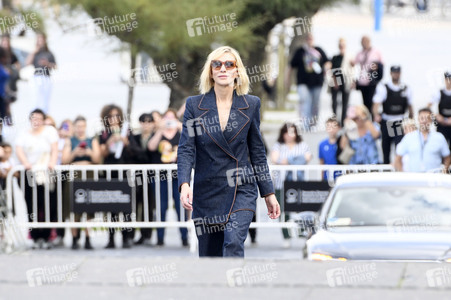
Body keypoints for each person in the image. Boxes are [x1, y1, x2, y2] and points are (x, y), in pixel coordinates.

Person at [178, 46, 280, 257]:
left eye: (229, 64)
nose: (223, 68)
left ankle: (235, 289)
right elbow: (186, 148)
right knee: (210, 257)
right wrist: (184, 184)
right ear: (211, 71)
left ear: (237, 71)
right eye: (217, 64)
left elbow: (257, 151)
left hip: (242, 189)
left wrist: (268, 193)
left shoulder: (250, 104)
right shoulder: (194, 106)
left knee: (233, 243)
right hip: (207, 192)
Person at [15, 109, 58, 249]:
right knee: (31, 204)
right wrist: (25, 163)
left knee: (47, 204)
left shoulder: (50, 132)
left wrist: (52, 163)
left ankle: (46, 236)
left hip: (46, 173)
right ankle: (34, 236)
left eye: (39, 118)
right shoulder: (24, 134)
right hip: (30, 173)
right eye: (34, 118)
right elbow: (19, 149)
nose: (36, 121)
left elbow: (54, 148)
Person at [148, 108, 187, 247]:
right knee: (161, 207)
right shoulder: (158, 133)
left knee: (180, 206)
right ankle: (159, 238)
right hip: (161, 176)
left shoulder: (181, 132)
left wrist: (180, 126)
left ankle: (184, 237)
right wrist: (160, 130)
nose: (169, 121)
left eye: (172, 118)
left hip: (178, 176)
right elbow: (151, 147)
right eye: (167, 118)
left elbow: (193, 141)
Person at [62, 116, 101, 250]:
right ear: (74, 127)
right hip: (74, 176)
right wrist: (74, 153)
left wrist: (88, 152)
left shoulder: (92, 140)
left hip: (89, 175)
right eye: (78, 126)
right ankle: (74, 238)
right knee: (74, 208)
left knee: (88, 208)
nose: (80, 129)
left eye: (82, 126)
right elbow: (64, 160)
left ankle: (88, 238)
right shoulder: (70, 141)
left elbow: (98, 158)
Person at [98, 104, 134, 249]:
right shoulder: (104, 133)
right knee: (111, 205)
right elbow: (102, 153)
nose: (114, 119)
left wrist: (126, 143)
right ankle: (111, 239)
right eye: (111, 116)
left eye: (116, 116)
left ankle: (126, 238)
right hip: (110, 172)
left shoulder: (127, 132)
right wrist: (110, 142)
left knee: (126, 206)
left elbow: (134, 152)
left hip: (124, 171)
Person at [270, 123, 311, 248]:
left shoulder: (302, 145)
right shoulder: (278, 146)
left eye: (292, 132)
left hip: (298, 182)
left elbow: (307, 158)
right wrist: (295, 159)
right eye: (287, 132)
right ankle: (286, 235)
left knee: (301, 209)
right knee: (282, 210)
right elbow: (275, 159)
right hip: (281, 183)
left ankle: (301, 232)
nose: (290, 135)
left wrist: (287, 160)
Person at [372, 65, 414, 164]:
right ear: (391, 73)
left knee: (399, 147)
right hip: (387, 121)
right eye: (394, 72)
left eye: (398, 72)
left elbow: (410, 105)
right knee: (385, 148)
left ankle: (399, 168)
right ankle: (386, 169)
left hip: (399, 121)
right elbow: (376, 104)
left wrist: (411, 119)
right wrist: (376, 115)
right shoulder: (384, 87)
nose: (396, 74)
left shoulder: (405, 88)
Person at [286, 33, 328, 129]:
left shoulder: (319, 50)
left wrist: (327, 69)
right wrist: (287, 80)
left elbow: (327, 62)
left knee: (315, 103)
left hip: (317, 82)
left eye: (311, 38)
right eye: (308, 39)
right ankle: (305, 124)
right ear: (306, 40)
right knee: (304, 101)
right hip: (303, 82)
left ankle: (313, 123)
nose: (310, 40)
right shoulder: (300, 51)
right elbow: (291, 66)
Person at [130, 113, 157, 245]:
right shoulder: (134, 137)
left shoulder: (156, 137)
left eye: (149, 122)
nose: (146, 125)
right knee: (135, 206)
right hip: (136, 176)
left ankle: (146, 234)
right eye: (143, 122)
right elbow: (136, 153)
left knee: (148, 206)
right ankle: (132, 234)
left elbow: (150, 154)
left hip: (151, 176)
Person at [395, 108, 450, 172]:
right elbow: (397, 159)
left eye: (427, 118)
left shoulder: (439, 137)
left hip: (433, 178)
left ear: (431, 120)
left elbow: (447, 158)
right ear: (418, 119)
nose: (424, 121)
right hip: (414, 178)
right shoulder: (409, 137)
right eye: (422, 118)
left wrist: (444, 172)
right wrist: (404, 175)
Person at [25, 33, 56, 114]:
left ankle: (45, 115)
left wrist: (47, 64)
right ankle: (34, 115)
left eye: (41, 39)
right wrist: (34, 52)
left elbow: (55, 66)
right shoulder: (35, 53)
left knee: (45, 99)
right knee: (35, 98)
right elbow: (27, 63)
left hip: (46, 77)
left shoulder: (49, 53)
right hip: (36, 76)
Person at [353, 35, 383, 117]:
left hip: (372, 82)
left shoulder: (376, 52)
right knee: (365, 104)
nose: (364, 44)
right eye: (362, 42)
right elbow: (354, 65)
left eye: (366, 41)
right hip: (363, 82)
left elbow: (381, 65)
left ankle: (373, 121)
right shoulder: (360, 53)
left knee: (372, 103)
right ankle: (367, 121)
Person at [328, 38, 353, 125]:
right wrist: (335, 81)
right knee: (334, 101)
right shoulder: (335, 57)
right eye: (340, 45)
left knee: (345, 102)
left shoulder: (349, 57)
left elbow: (352, 71)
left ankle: (343, 121)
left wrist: (353, 82)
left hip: (346, 80)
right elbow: (332, 70)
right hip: (336, 78)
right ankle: (335, 119)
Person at [427, 71, 451, 149]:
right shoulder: (438, 93)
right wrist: (437, 116)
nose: (449, 81)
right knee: (441, 146)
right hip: (442, 125)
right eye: (447, 79)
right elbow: (427, 107)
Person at [1, 34, 20, 125]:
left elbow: (17, 65)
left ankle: (8, 120)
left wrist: (13, 70)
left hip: (7, 87)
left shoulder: (12, 54)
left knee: (6, 105)